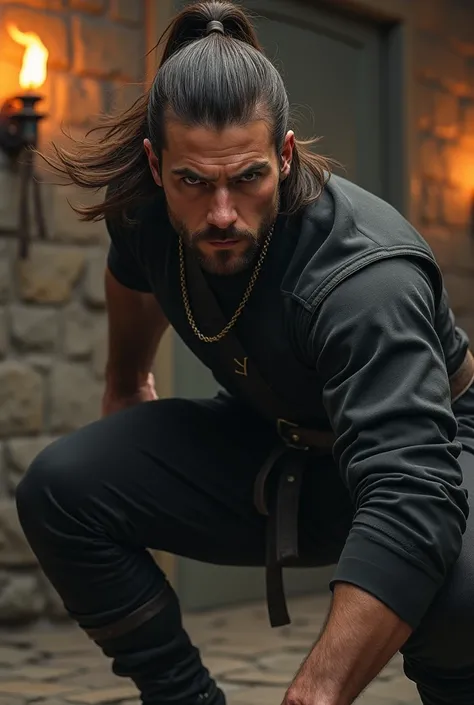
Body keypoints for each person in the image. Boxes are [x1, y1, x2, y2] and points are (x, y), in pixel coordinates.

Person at [15, 1, 474, 704]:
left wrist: (311, 694)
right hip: (280, 439)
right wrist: (127, 378)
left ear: (285, 156)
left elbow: (413, 500)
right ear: (155, 164)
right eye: (193, 182)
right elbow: (131, 279)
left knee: (456, 598)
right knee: (61, 488)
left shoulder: (364, 280)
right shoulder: (143, 209)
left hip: (434, 453)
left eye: (248, 178)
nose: (221, 212)